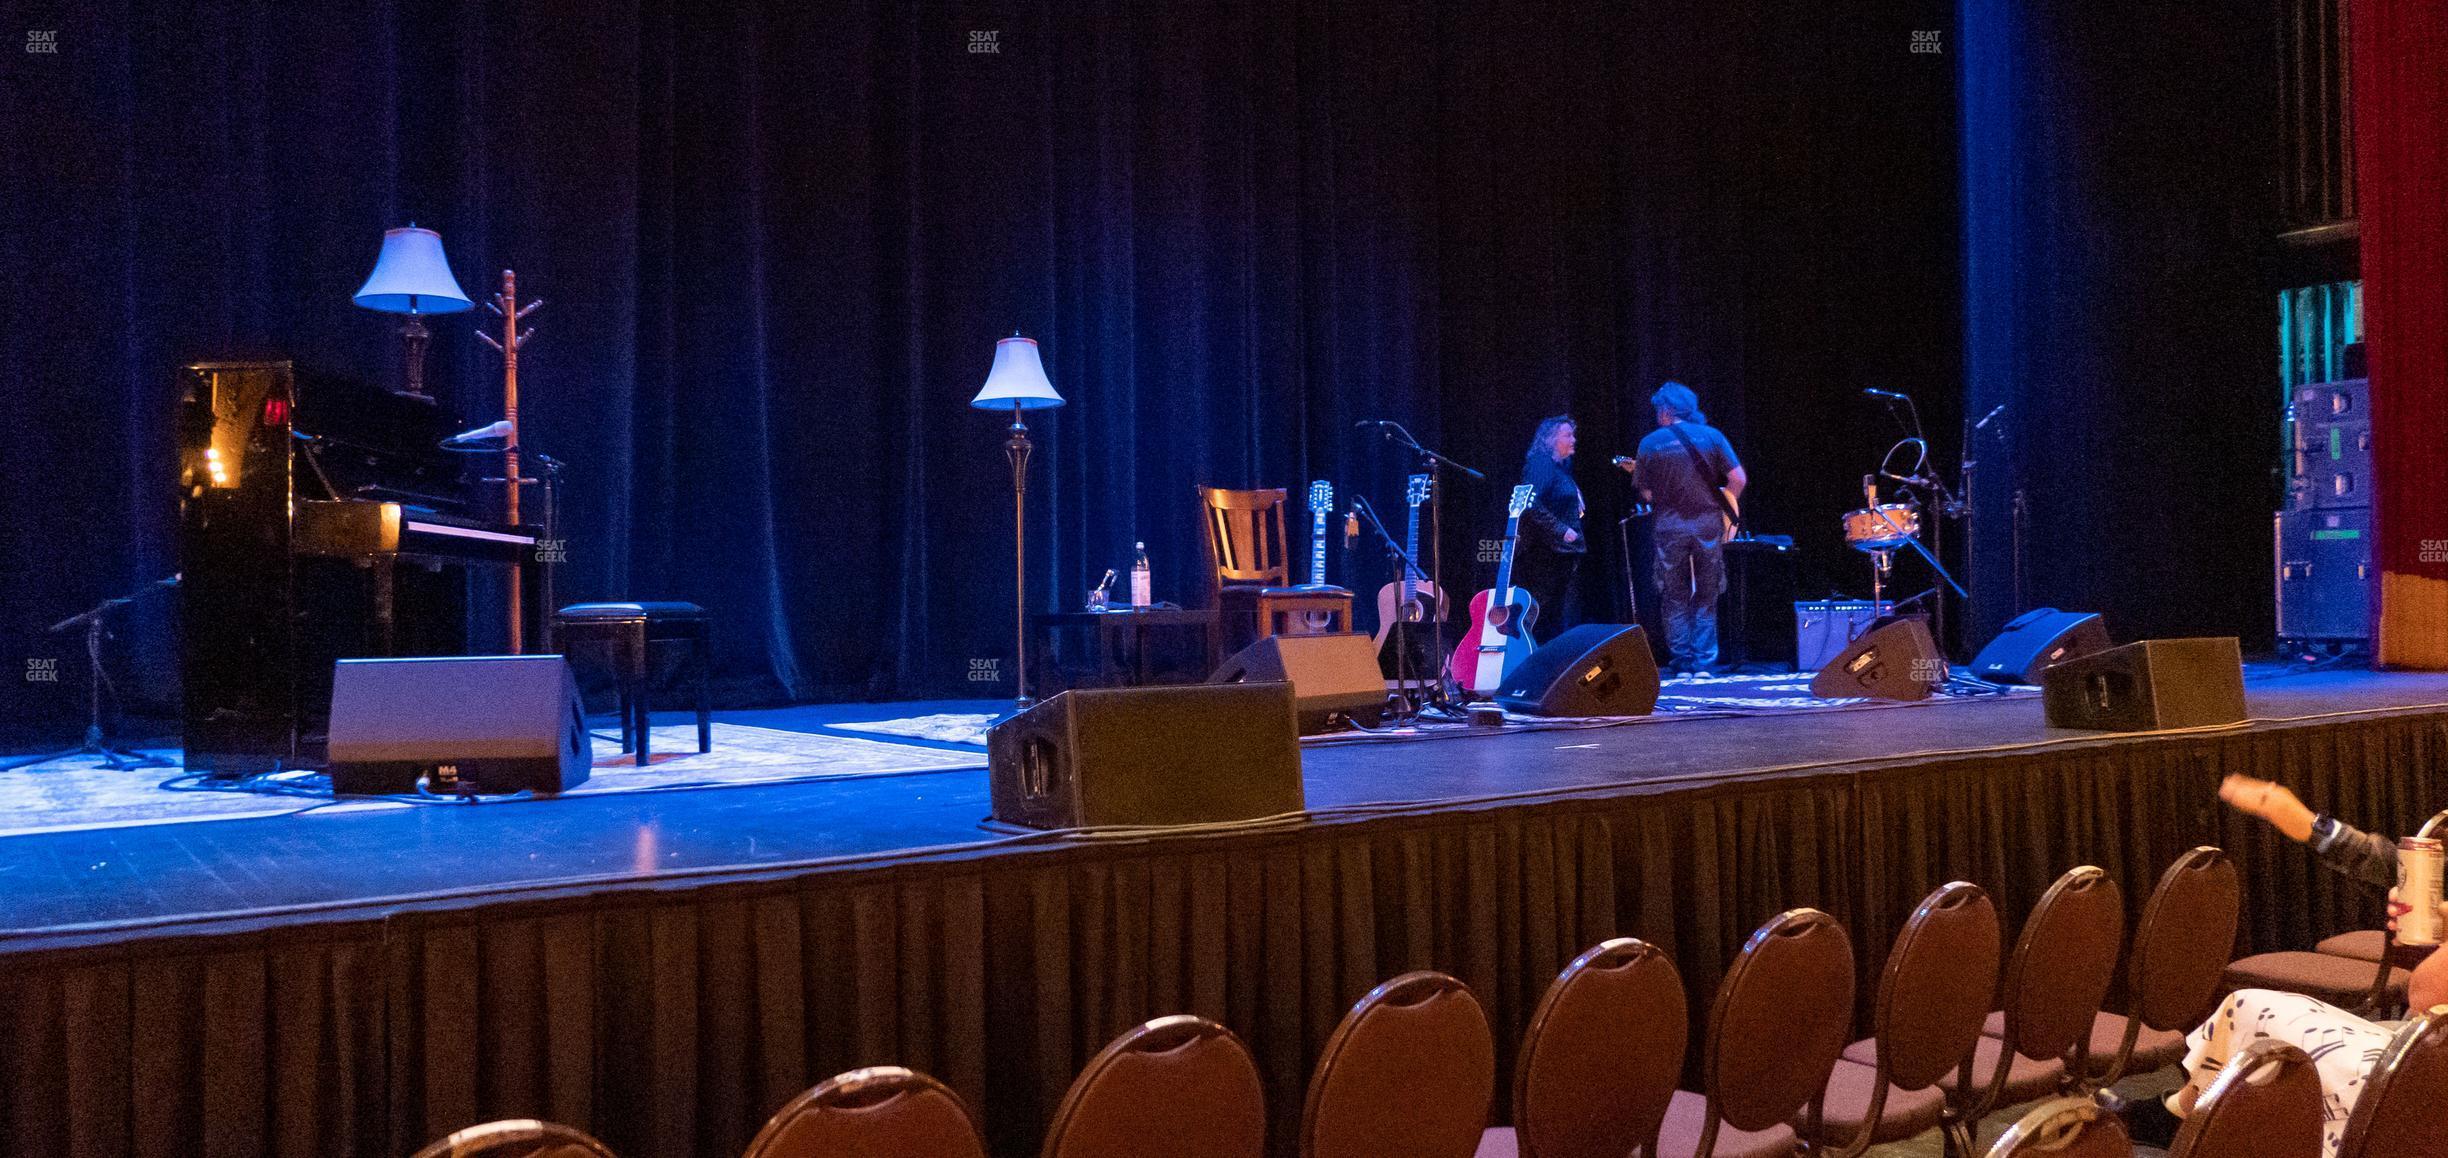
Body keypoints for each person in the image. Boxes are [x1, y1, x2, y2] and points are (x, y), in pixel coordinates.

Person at [2120, 773, 2448, 1154]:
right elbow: (2394, 867)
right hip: (2420, 1052)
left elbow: (2425, 997)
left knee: (2271, 1044)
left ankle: (2196, 1123)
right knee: (2247, 1007)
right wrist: (2309, 824)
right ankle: (2182, 1114)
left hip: (2425, 1079)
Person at [1618, 382, 1745, 674]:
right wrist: (1728, 506)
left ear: (1665, 410)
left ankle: (1682, 663)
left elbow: (1647, 493)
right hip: (1708, 526)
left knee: (1674, 596)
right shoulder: (1712, 436)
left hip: (1669, 528)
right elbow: (1738, 478)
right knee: (1707, 594)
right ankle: (1703, 664)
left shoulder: (1650, 442)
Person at [1511, 416, 1584, 642]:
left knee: (1558, 614)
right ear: (1551, 439)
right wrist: (1561, 530)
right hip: (1543, 553)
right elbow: (1530, 504)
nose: (1573, 439)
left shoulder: (1560, 468)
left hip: (1561, 553)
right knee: (1543, 612)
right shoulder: (1540, 464)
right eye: (1567, 435)